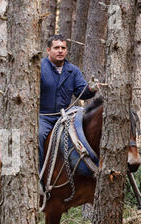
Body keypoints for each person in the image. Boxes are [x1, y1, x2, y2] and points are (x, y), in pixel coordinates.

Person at [39, 34, 99, 173]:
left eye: (63, 48)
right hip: (43, 117)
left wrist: (91, 89)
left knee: (80, 136)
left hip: (64, 116)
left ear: (66, 51)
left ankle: (78, 174)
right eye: (56, 48)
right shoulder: (40, 67)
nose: (60, 51)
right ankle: (38, 174)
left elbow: (81, 92)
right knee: (38, 136)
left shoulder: (73, 70)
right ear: (48, 50)